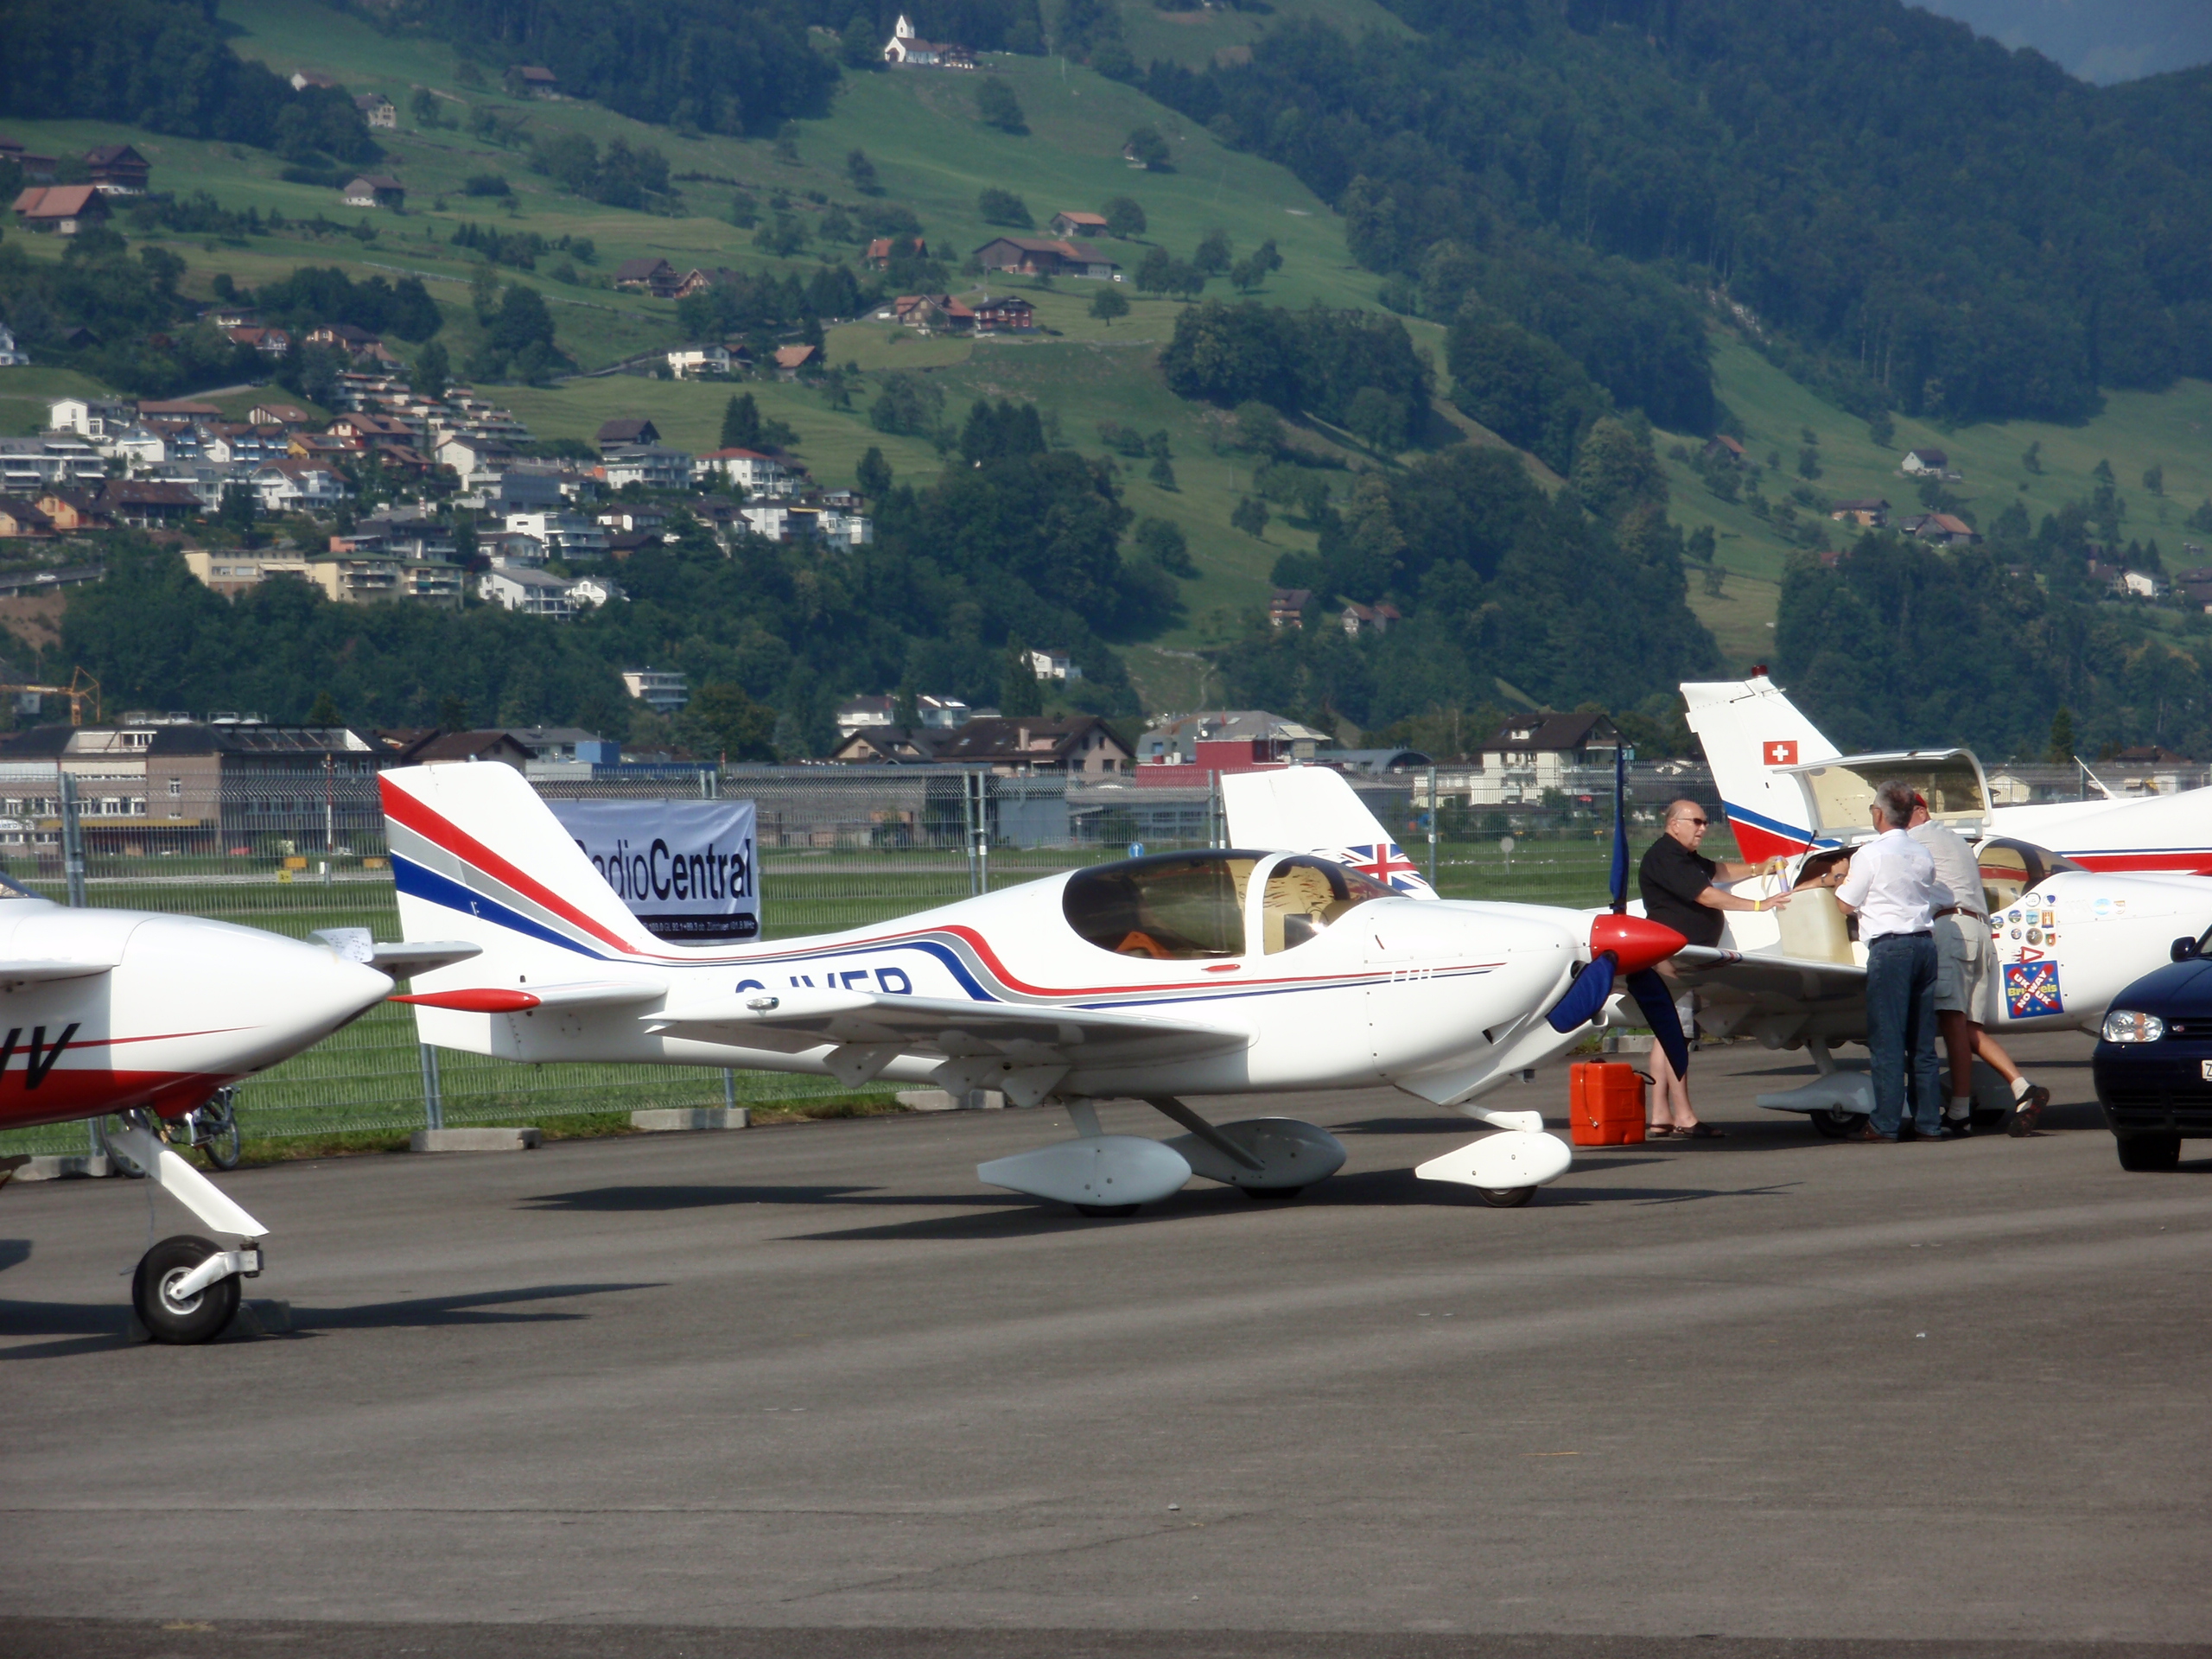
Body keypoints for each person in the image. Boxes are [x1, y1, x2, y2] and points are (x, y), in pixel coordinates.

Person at [1636, 799, 1791, 1139]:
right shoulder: (1666, 857)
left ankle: (1661, 1114)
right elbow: (1707, 895)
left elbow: (1717, 871)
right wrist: (1759, 905)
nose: (1703, 828)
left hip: (1683, 956)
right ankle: (1685, 1116)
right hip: (1676, 958)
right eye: (1697, 822)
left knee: (1668, 1035)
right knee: (1676, 1034)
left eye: (1705, 822)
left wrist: (1757, 868)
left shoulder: (1683, 857)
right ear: (1674, 823)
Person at [1906, 794, 2050, 1136]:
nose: (1899, 823)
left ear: (1921, 811)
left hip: (1952, 930)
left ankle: (1959, 1111)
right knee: (1970, 1028)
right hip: (1981, 933)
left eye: (1905, 814)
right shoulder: (1955, 839)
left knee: (1952, 1022)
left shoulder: (1916, 838)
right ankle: (2021, 1087)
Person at [1835, 780, 1945, 1141]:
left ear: (1878, 814)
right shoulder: (1921, 853)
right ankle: (1928, 1121)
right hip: (1924, 944)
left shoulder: (1868, 854)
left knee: (1887, 1040)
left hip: (1890, 947)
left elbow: (1845, 904)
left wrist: (1837, 881)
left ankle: (1885, 1122)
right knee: (1922, 1042)